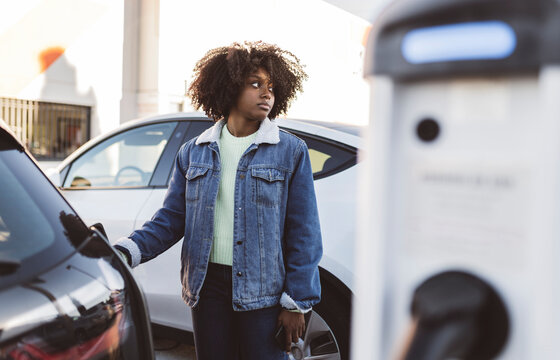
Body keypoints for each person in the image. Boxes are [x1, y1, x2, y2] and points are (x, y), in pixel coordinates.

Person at [114, 41, 322, 360]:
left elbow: (304, 232)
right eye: (255, 84)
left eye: (271, 86)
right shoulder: (193, 152)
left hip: (262, 291)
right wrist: (126, 251)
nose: (266, 93)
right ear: (228, 88)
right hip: (206, 288)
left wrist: (297, 302)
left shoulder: (290, 151)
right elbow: (170, 220)